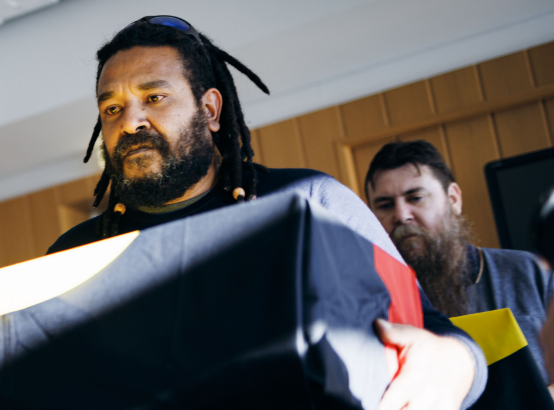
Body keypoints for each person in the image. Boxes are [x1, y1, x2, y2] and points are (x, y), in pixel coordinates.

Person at [47, 16, 486, 409]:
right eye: (112, 108)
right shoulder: (73, 255)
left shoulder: (311, 200)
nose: (130, 121)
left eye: (155, 97)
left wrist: (457, 362)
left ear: (211, 110)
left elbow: (427, 327)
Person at [364, 139, 553, 383]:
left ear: (453, 199)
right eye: (385, 205)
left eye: (416, 197)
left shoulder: (534, 274)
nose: (401, 215)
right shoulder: (370, 301)